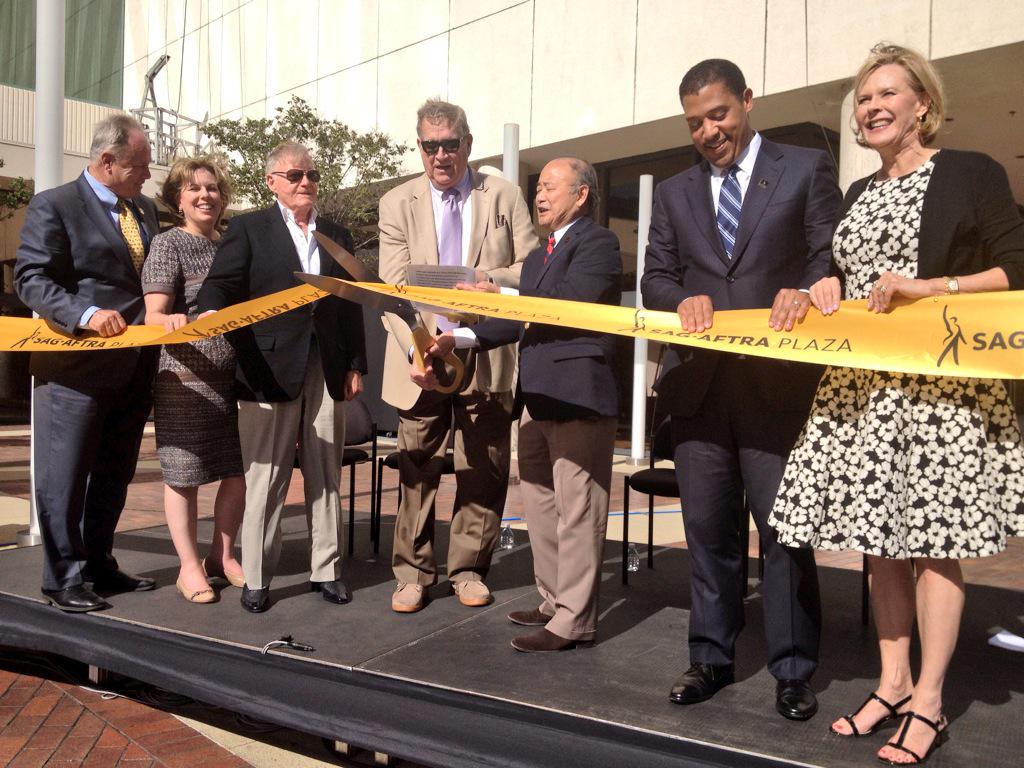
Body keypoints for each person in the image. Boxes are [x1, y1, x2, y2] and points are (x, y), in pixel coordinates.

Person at [769, 43, 1024, 764]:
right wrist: (822, 286)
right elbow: (845, 280)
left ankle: (932, 703)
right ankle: (892, 684)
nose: (872, 106)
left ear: (922, 103)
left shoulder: (969, 171)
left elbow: (1018, 265)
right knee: (880, 544)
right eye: (863, 98)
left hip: (942, 388)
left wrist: (932, 287)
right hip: (865, 390)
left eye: (887, 93)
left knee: (936, 545)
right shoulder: (856, 195)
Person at [641, 59, 841, 720]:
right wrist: (683, 297)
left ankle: (791, 668)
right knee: (705, 532)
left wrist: (809, 288)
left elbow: (826, 254)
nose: (708, 131)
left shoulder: (806, 167)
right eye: (696, 122)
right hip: (698, 392)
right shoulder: (673, 193)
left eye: (719, 114)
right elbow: (656, 279)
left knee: (783, 533)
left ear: (748, 102)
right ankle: (710, 658)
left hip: (775, 386)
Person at [420, 157, 621, 651]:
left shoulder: (599, 243)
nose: (540, 195)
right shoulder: (535, 259)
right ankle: (554, 601)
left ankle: (575, 621)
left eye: (551, 186)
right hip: (537, 399)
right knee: (541, 506)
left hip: (578, 395)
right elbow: (515, 323)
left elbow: (567, 302)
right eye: (538, 187)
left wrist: (504, 294)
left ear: (582, 196)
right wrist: (460, 338)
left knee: (578, 512)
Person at [378, 98, 538, 613]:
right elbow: (395, 283)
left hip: (485, 350)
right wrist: (421, 341)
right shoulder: (396, 202)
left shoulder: (505, 195)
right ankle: (412, 573)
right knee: (417, 464)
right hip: (421, 354)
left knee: (484, 465)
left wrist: (489, 281)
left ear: (468, 144)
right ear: (419, 146)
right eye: (430, 145)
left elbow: (531, 267)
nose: (440, 155)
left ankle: (468, 568)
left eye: (450, 144)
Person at [196, 141, 367, 614]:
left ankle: (327, 570)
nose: (305, 182)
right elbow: (223, 282)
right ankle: (256, 576)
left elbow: (351, 304)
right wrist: (207, 309)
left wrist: (355, 364)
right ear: (271, 182)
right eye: (294, 175)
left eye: (311, 174)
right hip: (267, 368)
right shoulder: (250, 228)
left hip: (327, 367)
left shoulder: (336, 234)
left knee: (325, 471)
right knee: (266, 476)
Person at [14, 114, 159, 612]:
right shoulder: (54, 205)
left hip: (133, 368)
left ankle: (98, 563)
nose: (148, 173)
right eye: (140, 164)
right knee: (66, 477)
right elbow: (31, 279)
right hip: (73, 371)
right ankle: (63, 578)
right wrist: (87, 313)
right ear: (107, 161)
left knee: (114, 475)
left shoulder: (144, 211)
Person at [142, 157, 245, 604]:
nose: (206, 195)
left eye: (213, 188)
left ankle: (222, 556)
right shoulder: (169, 244)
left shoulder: (233, 243)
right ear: (177, 198)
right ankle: (188, 567)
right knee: (183, 474)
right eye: (194, 188)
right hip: (184, 377)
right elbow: (153, 315)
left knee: (237, 472)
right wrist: (173, 318)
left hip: (234, 378)